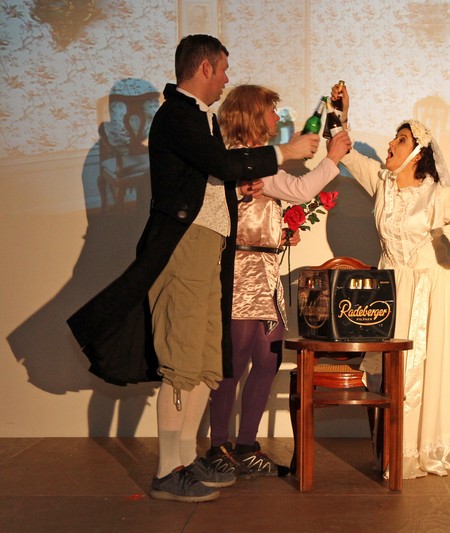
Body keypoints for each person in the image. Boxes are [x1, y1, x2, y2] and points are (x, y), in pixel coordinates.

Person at [67, 34, 321, 503]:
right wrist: (284, 152)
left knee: (207, 361)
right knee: (182, 361)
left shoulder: (201, 119)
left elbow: (208, 176)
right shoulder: (177, 115)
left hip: (212, 250)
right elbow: (217, 163)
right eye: (223, 69)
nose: (226, 79)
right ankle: (168, 470)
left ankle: (186, 459)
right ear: (205, 68)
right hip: (185, 248)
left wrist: (240, 192)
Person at [331, 83, 450, 479]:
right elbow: (346, 152)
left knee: (430, 371)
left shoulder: (441, 194)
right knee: (393, 371)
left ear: (418, 153)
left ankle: (427, 446)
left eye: (400, 140)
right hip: (392, 290)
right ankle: (394, 446)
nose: (390, 144)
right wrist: (341, 115)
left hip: (434, 291)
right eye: (394, 137)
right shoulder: (382, 183)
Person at [205, 84, 351, 477]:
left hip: (265, 273)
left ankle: (246, 445)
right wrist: (333, 158)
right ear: (253, 115)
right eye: (271, 111)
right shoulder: (242, 160)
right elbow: (300, 190)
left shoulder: (256, 161)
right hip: (241, 273)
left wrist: (279, 231)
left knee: (267, 359)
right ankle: (219, 446)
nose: (276, 117)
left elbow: (267, 204)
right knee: (234, 362)